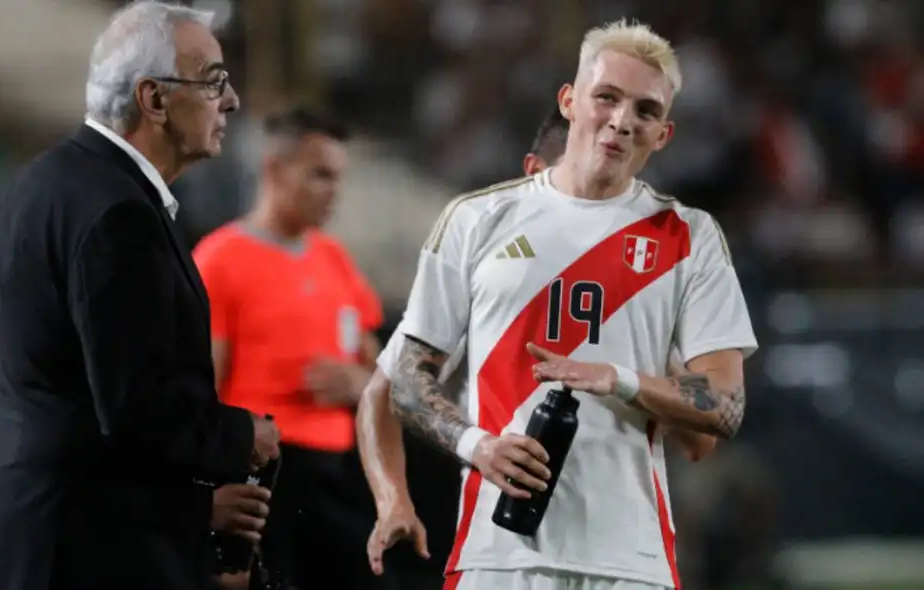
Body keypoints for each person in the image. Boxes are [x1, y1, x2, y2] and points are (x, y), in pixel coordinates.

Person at [389, 19, 758, 590]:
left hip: (628, 558)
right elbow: (408, 379)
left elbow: (725, 407)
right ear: (569, 100)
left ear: (663, 134)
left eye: (645, 110)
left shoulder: (689, 236)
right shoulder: (475, 219)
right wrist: (476, 445)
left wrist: (618, 378)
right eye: (606, 97)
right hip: (496, 554)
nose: (621, 120)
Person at [0, 4, 280, 590]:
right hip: (81, 557)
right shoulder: (119, 216)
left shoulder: (45, 180)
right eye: (212, 81)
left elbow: (51, 393)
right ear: (153, 100)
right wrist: (241, 437)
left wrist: (189, 513)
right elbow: (135, 408)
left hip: (30, 533)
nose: (231, 100)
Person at [356, 106, 570, 579]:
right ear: (534, 172)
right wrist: (394, 500)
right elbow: (382, 390)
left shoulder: (636, 277)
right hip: (491, 541)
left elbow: (697, 438)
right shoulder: (484, 261)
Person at [193, 106, 384, 590]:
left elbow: (383, 371)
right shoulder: (220, 260)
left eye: (339, 176)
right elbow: (201, 389)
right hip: (266, 476)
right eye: (320, 174)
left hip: (339, 477)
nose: (334, 190)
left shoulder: (334, 259)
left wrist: (360, 382)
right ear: (275, 170)